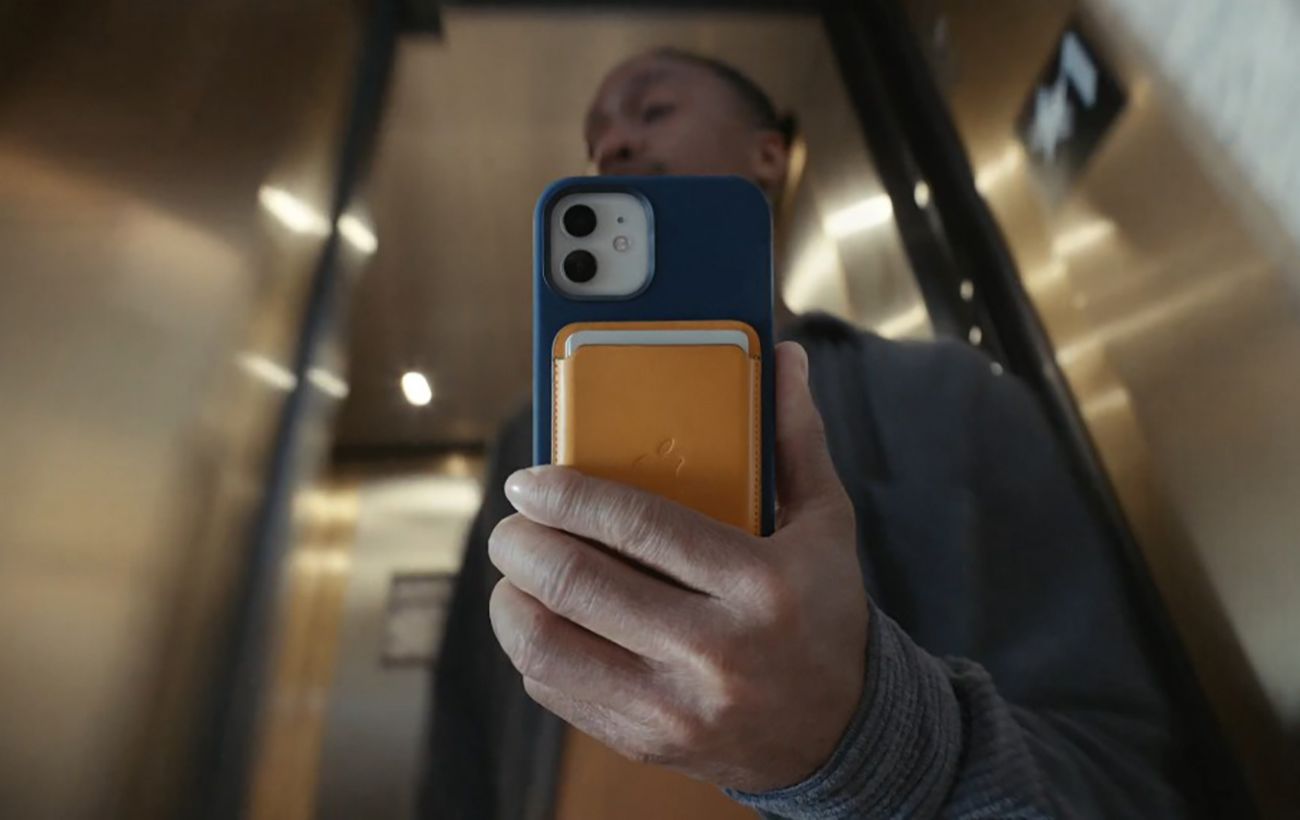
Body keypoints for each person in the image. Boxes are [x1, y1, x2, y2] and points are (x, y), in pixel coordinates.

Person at [422, 48, 1191, 819]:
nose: (613, 144)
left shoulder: (944, 396)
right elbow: (464, 740)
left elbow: (1118, 778)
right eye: (596, 137)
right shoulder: (527, 443)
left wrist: (862, 747)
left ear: (769, 155)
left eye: (653, 111)